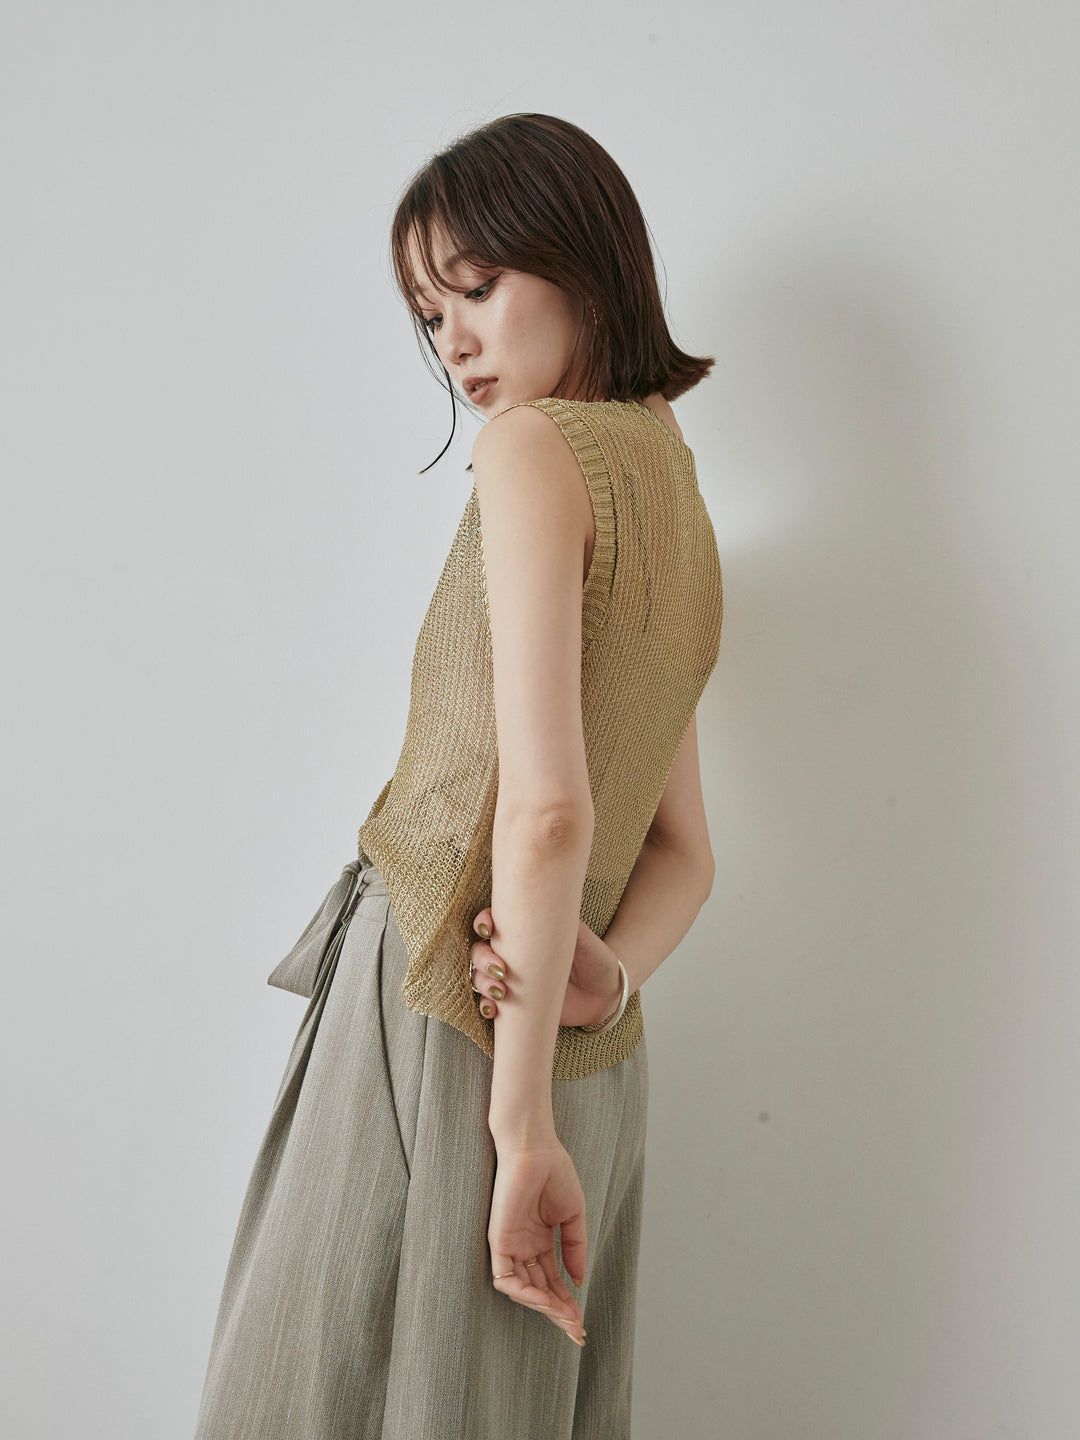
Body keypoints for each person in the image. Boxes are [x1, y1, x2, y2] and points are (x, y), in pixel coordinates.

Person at [192, 112, 724, 1439]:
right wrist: (610, 980)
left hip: (443, 1010)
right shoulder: (673, 477)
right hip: (581, 1043)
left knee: (310, 1395)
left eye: (477, 287)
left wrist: (517, 1121)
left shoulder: (534, 449)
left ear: (583, 257)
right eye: (431, 315)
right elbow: (684, 853)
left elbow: (548, 813)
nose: (455, 344)